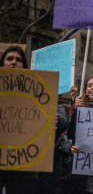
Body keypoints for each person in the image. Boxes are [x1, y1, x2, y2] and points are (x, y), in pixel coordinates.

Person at [0, 45, 38, 193]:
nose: (14, 62)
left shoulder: (35, 89)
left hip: (21, 160)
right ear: (3, 62)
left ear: (24, 64)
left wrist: (51, 121)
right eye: (9, 58)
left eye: (18, 59)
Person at [66, 76, 93, 194]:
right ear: (86, 89)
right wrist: (77, 110)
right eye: (89, 85)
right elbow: (71, 134)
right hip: (82, 163)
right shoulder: (80, 107)